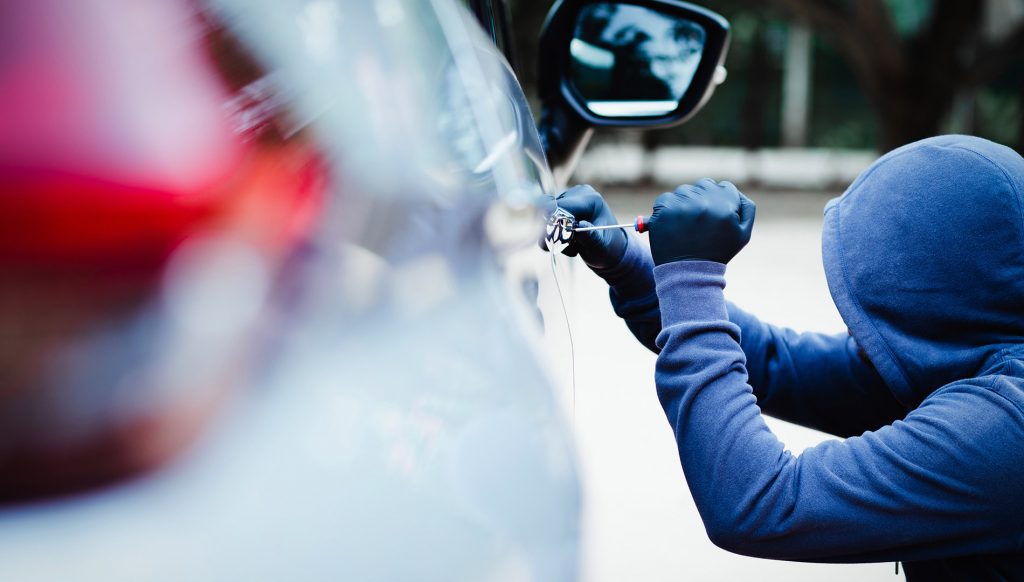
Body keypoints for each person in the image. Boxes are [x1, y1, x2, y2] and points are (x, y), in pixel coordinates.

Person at [548, 135, 1024, 580]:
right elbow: (779, 363)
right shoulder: (965, 350)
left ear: (931, 296)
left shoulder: (1005, 429)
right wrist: (630, 265)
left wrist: (691, 277)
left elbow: (762, 503)